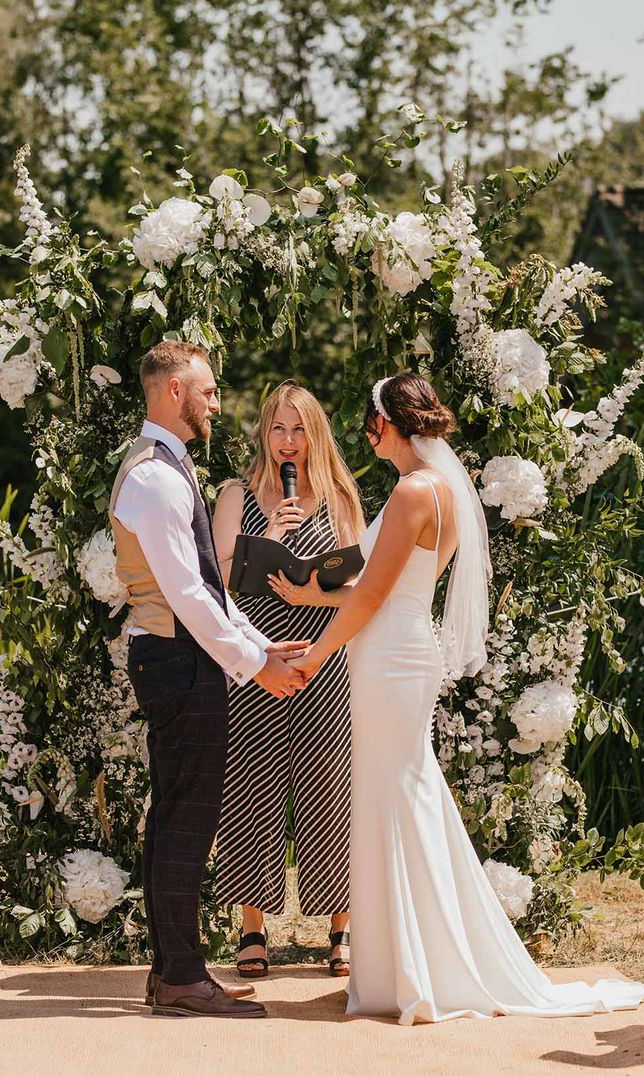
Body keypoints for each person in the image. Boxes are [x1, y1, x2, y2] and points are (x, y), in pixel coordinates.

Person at [290, 372, 644, 1024]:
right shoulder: (445, 489)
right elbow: (374, 583)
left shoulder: (410, 491)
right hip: (401, 651)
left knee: (397, 795)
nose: (368, 437)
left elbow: (370, 596)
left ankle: (419, 967)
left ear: (388, 424)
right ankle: (412, 961)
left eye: (371, 425)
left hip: (389, 659)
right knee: (399, 793)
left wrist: (313, 652)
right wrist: (300, 590)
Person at [109, 342, 308, 1019]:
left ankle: (172, 973)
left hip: (176, 655)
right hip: (175, 659)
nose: (217, 403)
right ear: (172, 392)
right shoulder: (156, 476)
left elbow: (207, 588)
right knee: (186, 821)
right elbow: (190, 596)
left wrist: (259, 642)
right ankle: (184, 978)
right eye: (208, 390)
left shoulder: (165, 466)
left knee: (174, 818)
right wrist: (256, 666)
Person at [213, 382, 365, 978]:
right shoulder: (235, 495)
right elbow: (217, 582)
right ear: (264, 434)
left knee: (330, 791)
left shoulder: (341, 499)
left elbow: (363, 585)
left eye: (299, 430)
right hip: (258, 663)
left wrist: (315, 589)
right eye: (278, 428)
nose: (288, 441)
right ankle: (253, 931)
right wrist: (271, 536)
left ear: (315, 435)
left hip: (325, 663)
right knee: (252, 791)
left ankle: (340, 930)